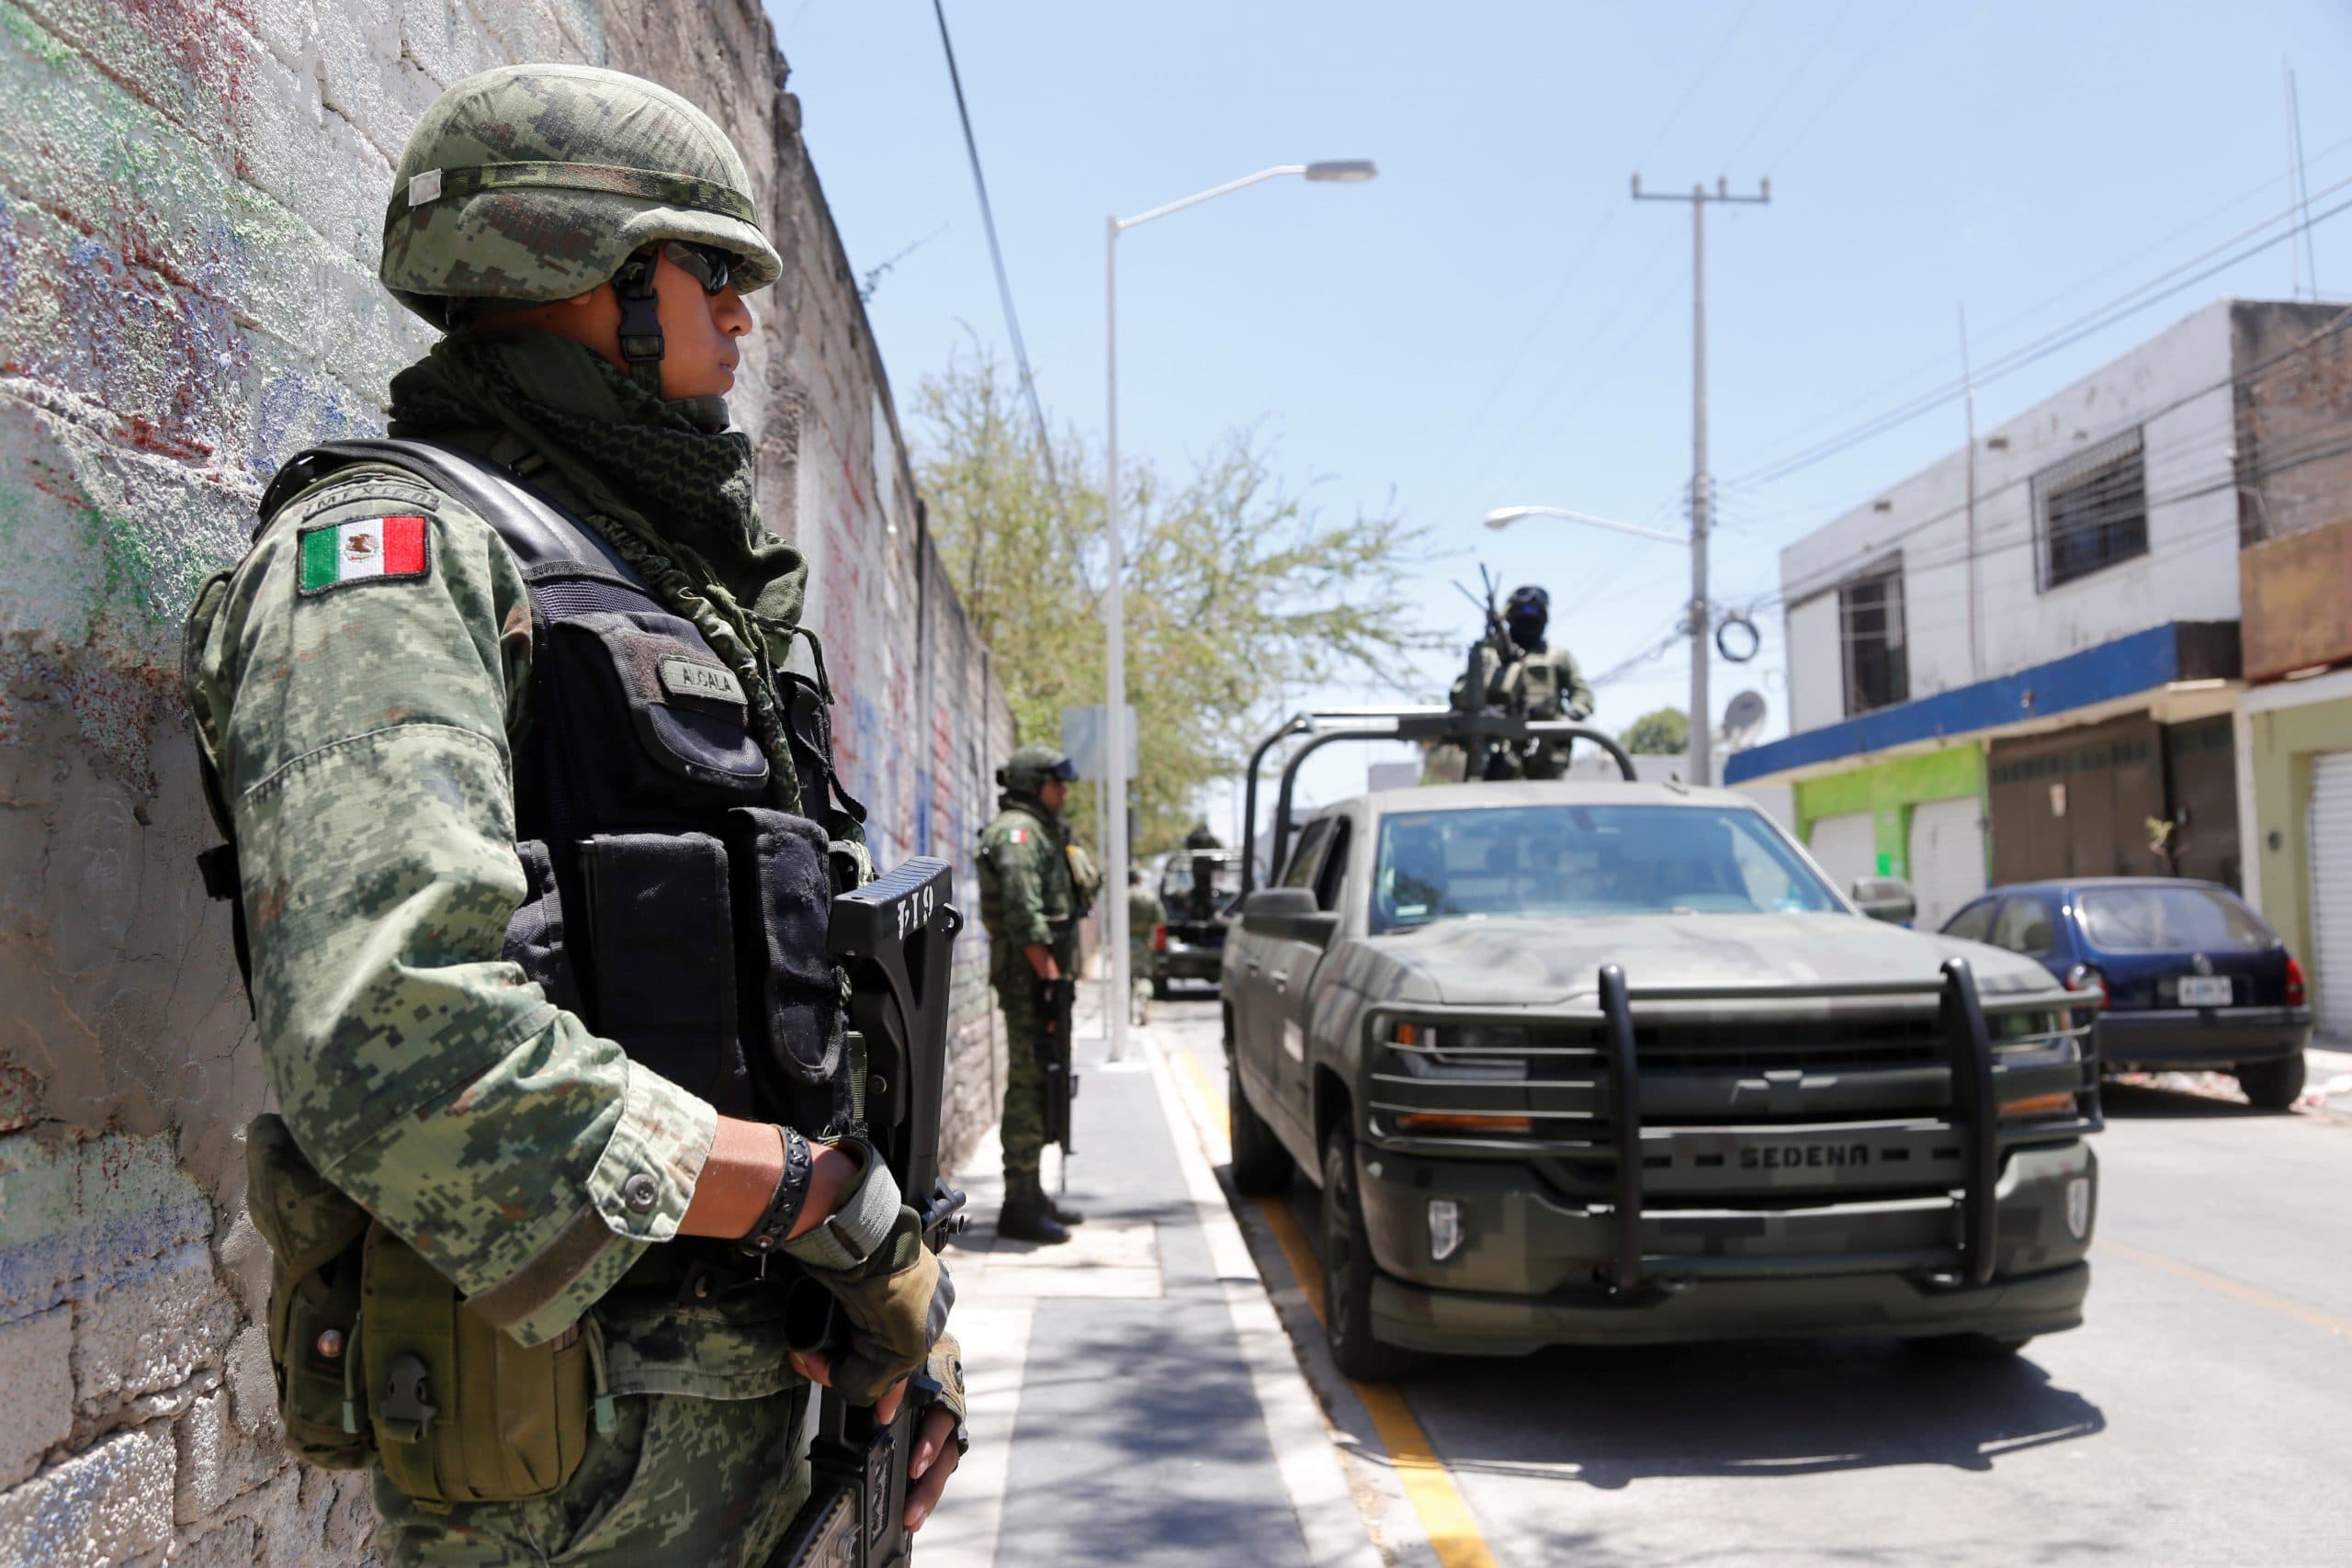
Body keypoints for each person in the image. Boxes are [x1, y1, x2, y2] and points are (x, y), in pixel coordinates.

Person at [180, 63, 961, 1565]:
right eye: (712, 267)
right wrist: (819, 1205)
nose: (744, 315)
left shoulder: (665, 587)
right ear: (575, 270)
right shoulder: (390, 559)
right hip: (572, 1456)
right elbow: (395, 1041)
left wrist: (896, 1313)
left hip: (764, 1412)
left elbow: (787, 1004)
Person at [977, 742, 1090, 1245]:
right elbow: (1025, 917)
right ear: (1032, 784)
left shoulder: (1041, 831)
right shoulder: (1018, 835)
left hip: (1041, 980)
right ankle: (1017, 1204)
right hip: (1030, 982)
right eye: (1055, 782)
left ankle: (1033, 1193)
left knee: (1046, 1080)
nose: (1062, 792)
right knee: (1027, 1086)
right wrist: (1049, 983)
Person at [1451, 584, 1596, 779]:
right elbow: (1458, 694)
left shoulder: (1557, 657)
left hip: (1544, 753)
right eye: (1524, 612)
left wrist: (1567, 720)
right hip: (1494, 752)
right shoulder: (1489, 655)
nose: (1530, 618)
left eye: (1536, 613)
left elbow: (1583, 695)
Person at [1127, 866, 1164, 1023]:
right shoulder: (1149, 897)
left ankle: (1126, 1010)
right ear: (1138, 880)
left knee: (1126, 977)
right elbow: (1161, 919)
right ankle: (1142, 1002)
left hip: (1125, 942)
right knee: (1144, 976)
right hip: (1143, 942)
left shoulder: (1121, 897)